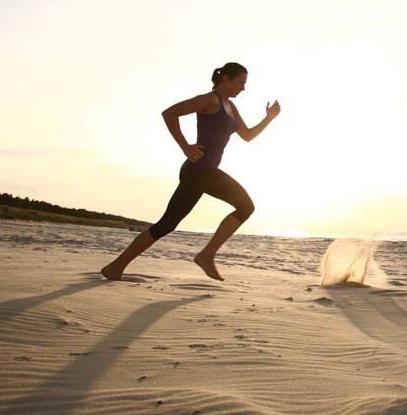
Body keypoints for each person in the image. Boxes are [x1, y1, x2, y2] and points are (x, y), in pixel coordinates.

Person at [100, 62, 280, 282]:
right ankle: (206, 255)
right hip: (199, 171)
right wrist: (185, 146)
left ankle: (115, 267)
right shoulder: (209, 100)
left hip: (203, 173)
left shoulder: (231, 107)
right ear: (225, 79)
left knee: (166, 224)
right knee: (245, 206)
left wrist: (269, 117)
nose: (243, 88)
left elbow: (248, 135)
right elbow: (170, 113)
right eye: (240, 82)